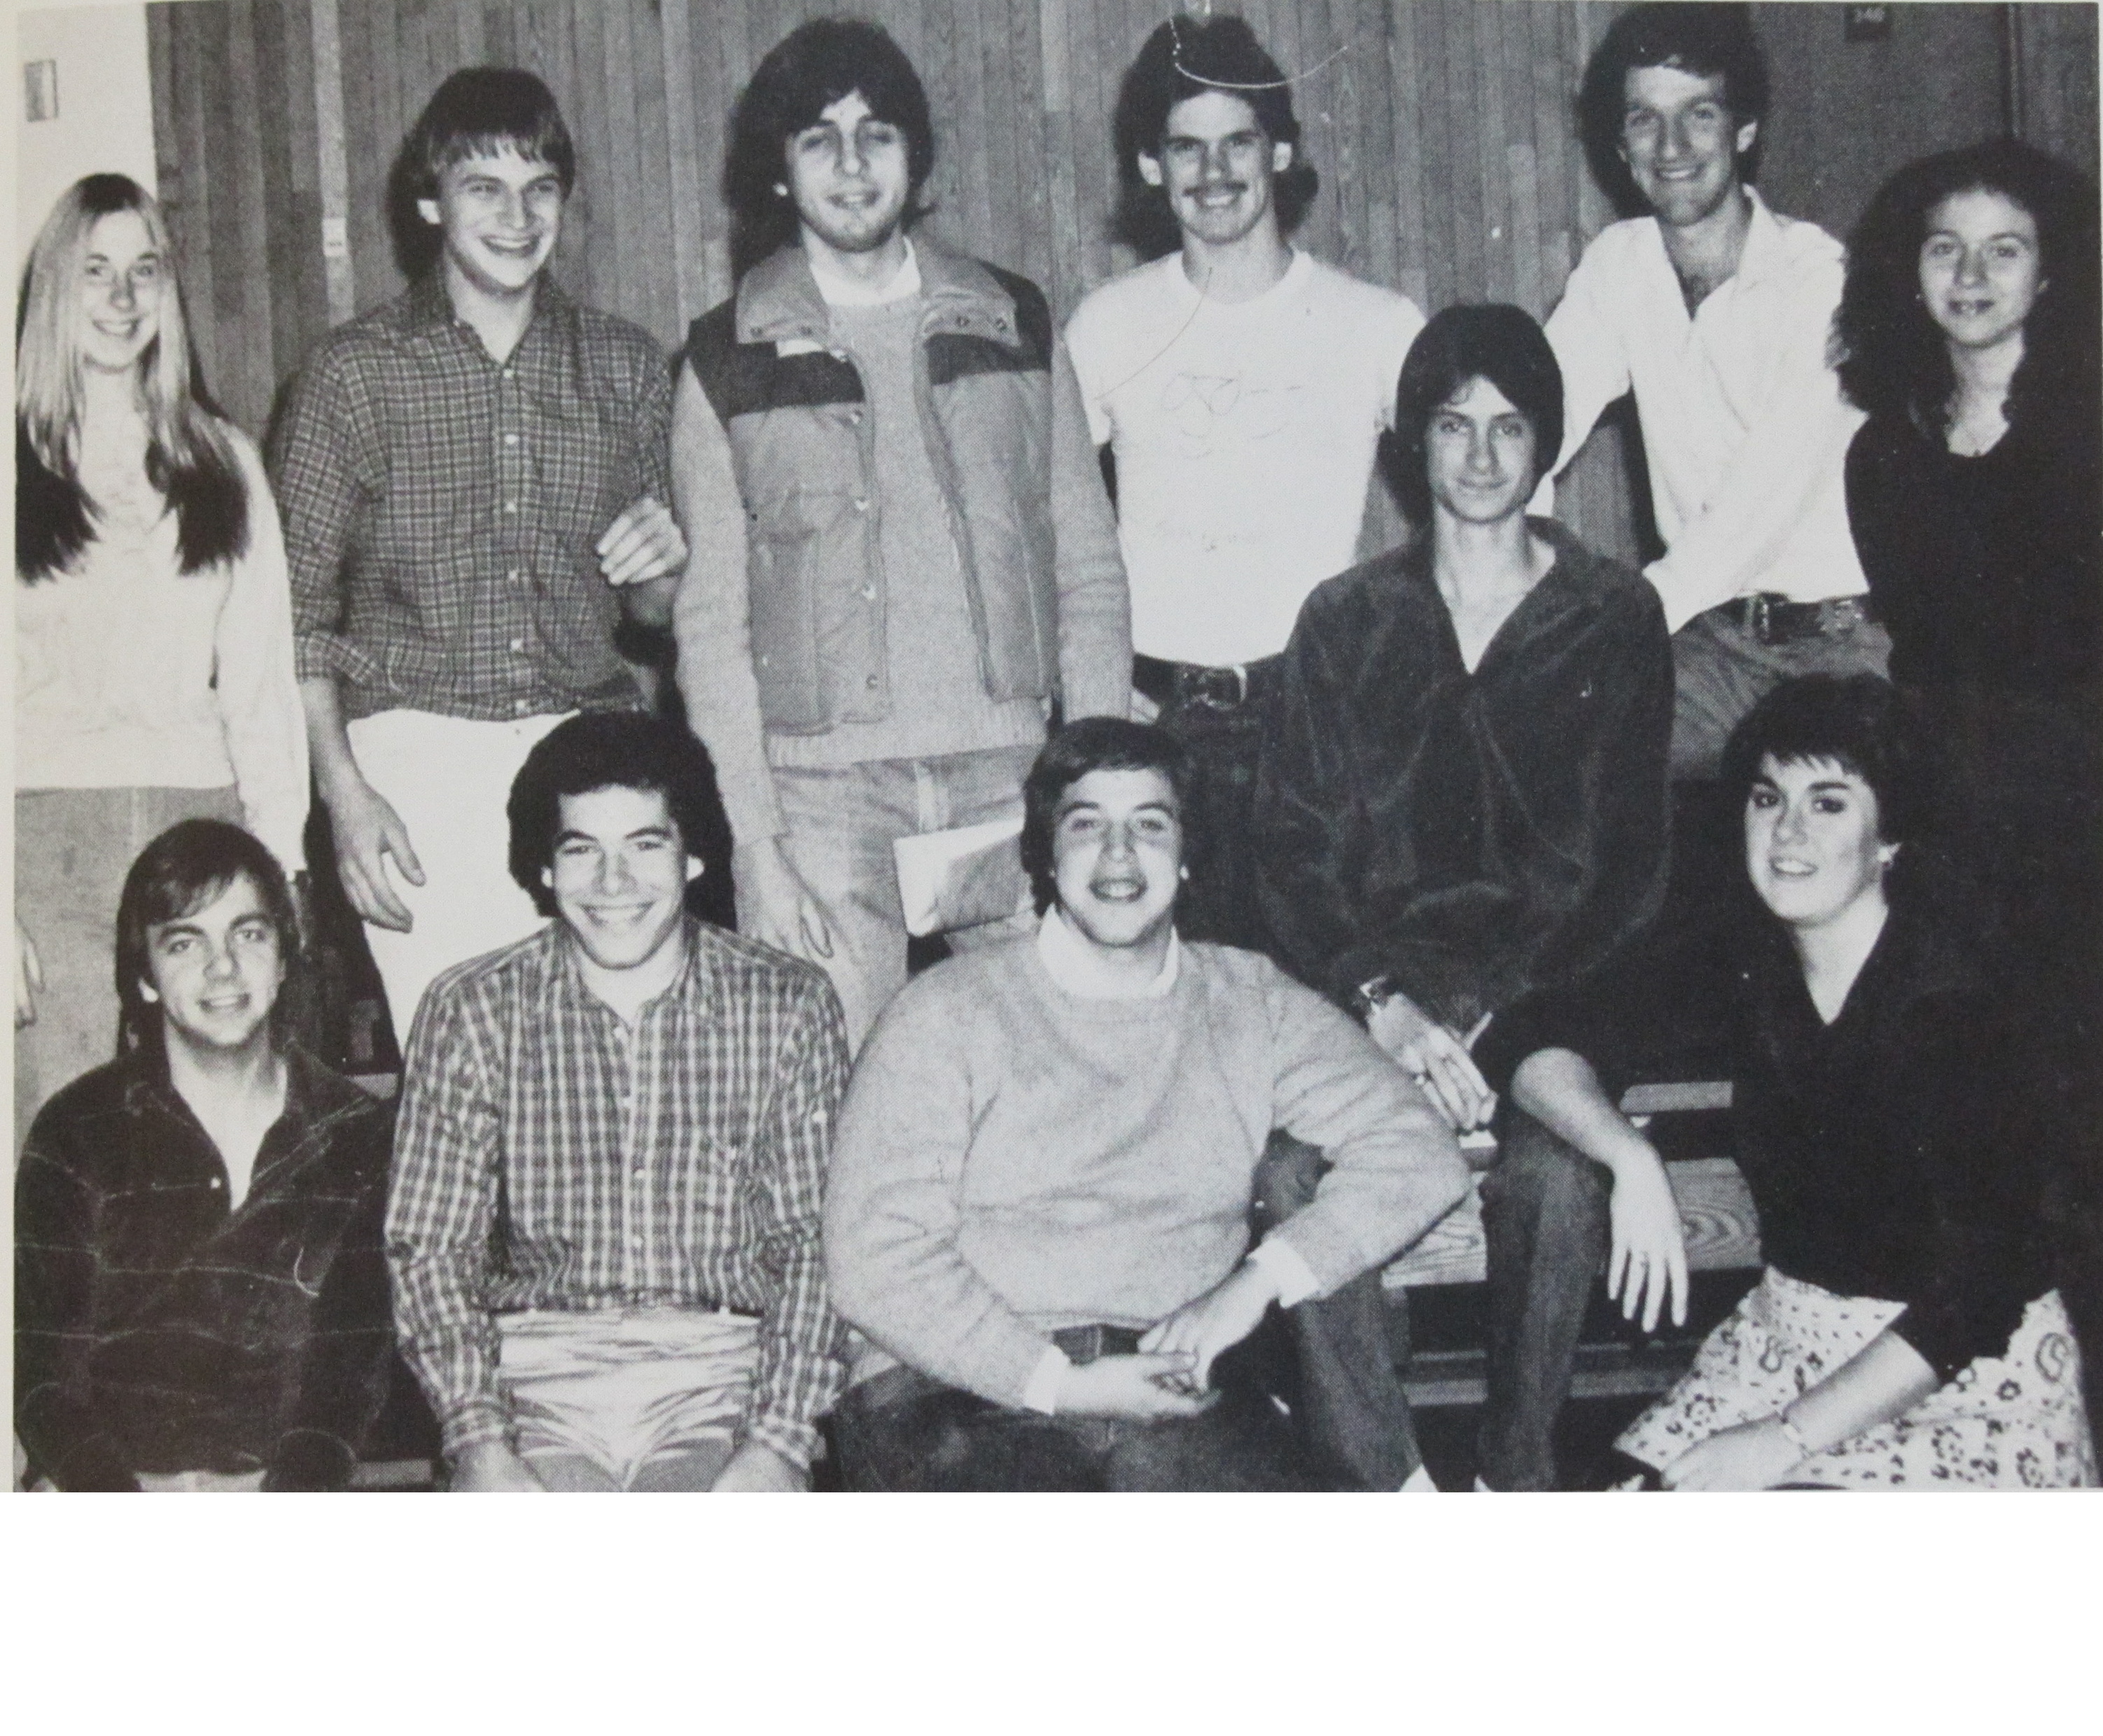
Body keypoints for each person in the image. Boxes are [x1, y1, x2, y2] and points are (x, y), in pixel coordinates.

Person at [1254, 304, 1677, 1490]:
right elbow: (1292, 859)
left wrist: (1498, 1014)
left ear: (1546, 444)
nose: (1481, 456)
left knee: (1550, 1179)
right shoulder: (1341, 621)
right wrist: (1382, 1002)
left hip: (1554, 1000)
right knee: (1287, 1176)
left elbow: (1628, 874)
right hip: (1373, 1004)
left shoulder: (1611, 614)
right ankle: (1387, 1484)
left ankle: (1511, 1474)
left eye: (1507, 427)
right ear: (1412, 445)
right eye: (1452, 426)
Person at [1479, 676, 2095, 1489]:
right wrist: (1627, 1155)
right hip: (1781, 1348)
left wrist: (1781, 1439)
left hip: (1952, 1382)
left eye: (1828, 802)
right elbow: (1530, 1035)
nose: (1786, 831)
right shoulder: (1751, 962)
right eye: (1768, 798)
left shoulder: (1949, 1007)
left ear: (1890, 838)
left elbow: (1983, 1288)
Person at [823, 718, 1467, 1491]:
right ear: (1045, 856)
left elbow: (1418, 1151)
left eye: (1150, 826)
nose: (1119, 854)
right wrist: (1058, 1381)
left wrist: (1255, 1284)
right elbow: (872, 1259)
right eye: (1086, 825)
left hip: (1171, 1387)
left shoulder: (1248, 1000)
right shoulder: (945, 1010)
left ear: (1187, 857)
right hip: (950, 1389)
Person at [671, 17, 1131, 1050]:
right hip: (822, 799)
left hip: (1009, 773)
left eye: (877, 133)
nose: (851, 163)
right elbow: (711, 629)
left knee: (1057, 1078)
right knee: (830, 1104)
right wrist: (754, 841)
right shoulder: (722, 358)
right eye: (817, 138)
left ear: (915, 158)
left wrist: (1095, 785)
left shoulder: (1015, 320)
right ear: (779, 172)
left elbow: (1090, 569)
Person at [268, 68, 687, 1048]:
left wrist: (666, 573)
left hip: (591, 747)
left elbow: (659, 620)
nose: (516, 214)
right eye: (483, 187)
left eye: (540, 186)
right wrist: (344, 797)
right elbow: (292, 616)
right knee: (465, 1078)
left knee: (608, 1064)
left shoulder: (626, 367)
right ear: (430, 202)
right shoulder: (349, 376)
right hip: (415, 754)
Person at [386, 712, 849, 1492]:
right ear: (542, 867)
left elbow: (815, 1243)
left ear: (694, 852)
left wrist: (778, 1441)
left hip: (725, 1377)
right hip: (532, 1380)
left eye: (644, 844)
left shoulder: (787, 1006)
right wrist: (479, 1440)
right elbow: (431, 1248)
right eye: (580, 850)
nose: (613, 883)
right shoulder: (470, 1009)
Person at [1834, 137, 2103, 1438]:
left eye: (2004, 248)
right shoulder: (1880, 458)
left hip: (2086, 846)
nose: (1972, 274)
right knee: (1999, 1177)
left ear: (2049, 274)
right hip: (1959, 857)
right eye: (1944, 248)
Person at [1063, 13, 1425, 953]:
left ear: (1283, 153)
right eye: (1186, 149)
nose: (1213, 173)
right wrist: (1092, 689)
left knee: (1318, 1010)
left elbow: (1496, 497)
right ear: (1152, 166)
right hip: (1157, 721)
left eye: (1238, 145)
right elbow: (1039, 530)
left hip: (1312, 721)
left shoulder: (1374, 324)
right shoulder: (1106, 326)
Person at [15, 173, 307, 1150]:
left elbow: (261, 685)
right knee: (52, 1138)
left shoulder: (222, 461)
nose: (122, 298)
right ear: (53, 288)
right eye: (95, 272)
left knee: (198, 1132)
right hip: (49, 839)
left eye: (145, 271)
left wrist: (280, 866)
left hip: (201, 825)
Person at [1544, 2, 1885, 780]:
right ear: (1618, 142)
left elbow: (1750, 517)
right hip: (1713, 644)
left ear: (1744, 129)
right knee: (1555, 757)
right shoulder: (1617, 265)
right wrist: (1512, 574)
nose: (1670, 148)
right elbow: (1536, 423)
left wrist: (1619, 626)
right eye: (1643, 119)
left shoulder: (1817, 281)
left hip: (1839, 649)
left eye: (1698, 115)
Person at [15, 820, 396, 1491]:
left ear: (283, 960)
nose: (223, 968)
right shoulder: (77, 1130)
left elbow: (348, 1376)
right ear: (146, 977)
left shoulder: (358, 1135)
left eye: (248, 934)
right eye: (186, 942)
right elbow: (43, 1380)